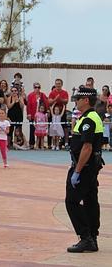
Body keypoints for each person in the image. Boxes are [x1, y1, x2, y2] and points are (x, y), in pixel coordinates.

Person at [65, 87, 103, 253]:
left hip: (85, 167)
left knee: (72, 201)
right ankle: (92, 237)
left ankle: (85, 236)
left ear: (86, 100)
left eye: (78, 99)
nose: (76, 101)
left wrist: (77, 171)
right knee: (90, 201)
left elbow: (86, 147)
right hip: (90, 167)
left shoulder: (89, 120)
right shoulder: (90, 117)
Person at [27, 82, 49, 148]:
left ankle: (40, 145)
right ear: (33, 88)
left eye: (38, 87)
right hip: (33, 115)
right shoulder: (30, 95)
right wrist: (28, 114)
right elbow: (28, 105)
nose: (37, 89)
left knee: (41, 130)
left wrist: (47, 111)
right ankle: (31, 144)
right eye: (35, 87)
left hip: (41, 116)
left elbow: (46, 103)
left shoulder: (43, 95)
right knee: (32, 129)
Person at [49, 79, 70, 149]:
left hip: (62, 113)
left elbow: (66, 101)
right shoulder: (52, 93)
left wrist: (60, 98)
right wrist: (55, 99)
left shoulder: (65, 92)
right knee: (53, 129)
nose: (58, 85)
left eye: (59, 84)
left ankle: (66, 143)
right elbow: (49, 102)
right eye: (56, 84)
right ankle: (52, 144)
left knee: (65, 128)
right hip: (54, 114)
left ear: (61, 84)